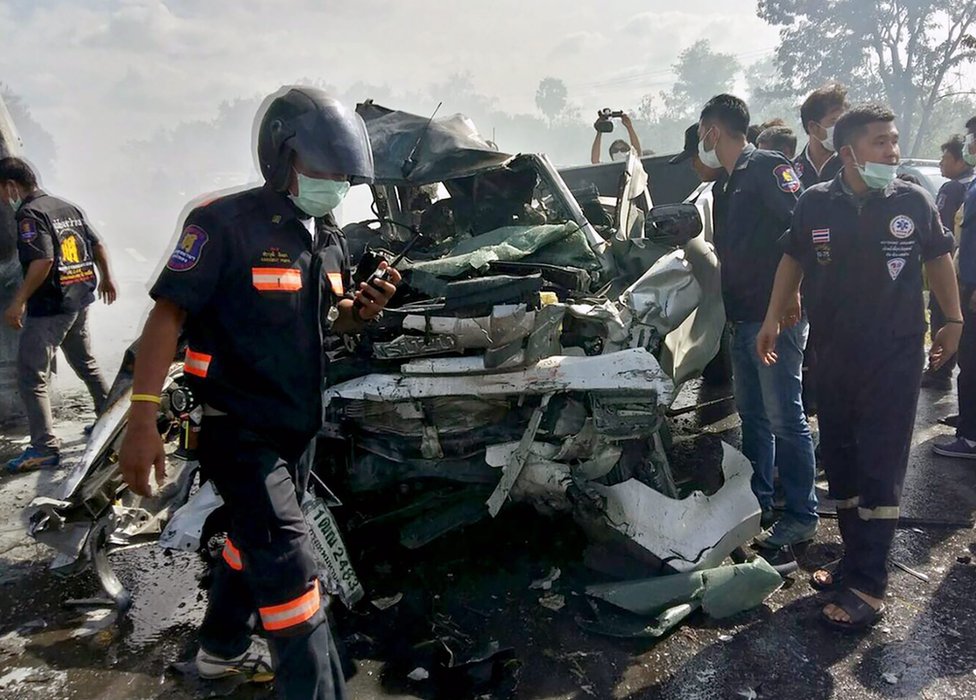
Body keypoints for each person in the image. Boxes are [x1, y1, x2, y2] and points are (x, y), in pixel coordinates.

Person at [118, 86, 399, 697]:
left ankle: (220, 652)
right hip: (232, 427)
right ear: (280, 157)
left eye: (343, 178)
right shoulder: (222, 224)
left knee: (253, 542)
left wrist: (360, 311)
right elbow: (167, 317)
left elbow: (325, 320)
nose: (334, 186)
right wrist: (142, 421)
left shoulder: (322, 237)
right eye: (322, 172)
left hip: (295, 426)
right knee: (294, 576)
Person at [758, 105, 960, 631]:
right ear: (848, 152)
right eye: (880, 143)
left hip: (893, 355)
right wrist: (774, 315)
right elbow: (792, 259)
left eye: (894, 142)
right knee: (842, 460)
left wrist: (953, 320)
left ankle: (870, 585)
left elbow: (939, 259)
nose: (892, 152)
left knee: (879, 464)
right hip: (833, 352)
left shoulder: (913, 201)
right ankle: (851, 559)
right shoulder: (815, 203)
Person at [697, 94, 818, 544]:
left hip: (775, 318)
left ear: (712, 131)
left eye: (702, 135)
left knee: (785, 416)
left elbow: (803, 226)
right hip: (743, 318)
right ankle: (758, 499)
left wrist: (792, 294)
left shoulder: (767, 167)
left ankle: (802, 516)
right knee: (753, 417)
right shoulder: (727, 183)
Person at [0, 157, 116, 472]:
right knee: (85, 363)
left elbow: (43, 261)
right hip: (79, 299)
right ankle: (112, 423)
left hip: (51, 306)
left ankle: (43, 448)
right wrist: (106, 277)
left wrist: (19, 300)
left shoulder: (29, 214)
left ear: (11, 186)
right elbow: (98, 244)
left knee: (31, 375)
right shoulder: (64, 206)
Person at [935, 117, 976, 458]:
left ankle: (971, 436)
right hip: (966, 281)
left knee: (973, 359)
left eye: (972, 137)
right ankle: (968, 420)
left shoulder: (962, 186)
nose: (968, 144)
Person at [922, 134, 973, 392]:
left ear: (960, 160)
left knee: (942, 316)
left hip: (950, 266)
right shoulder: (969, 185)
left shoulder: (952, 189)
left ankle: (938, 371)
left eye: (945, 158)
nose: (941, 164)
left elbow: (939, 230)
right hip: (961, 267)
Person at [794, 83, 848, 189]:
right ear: (813, 127)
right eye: (835, 121)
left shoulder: (851, 168)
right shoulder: (792, 171)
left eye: (845, 121)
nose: (842, 128)